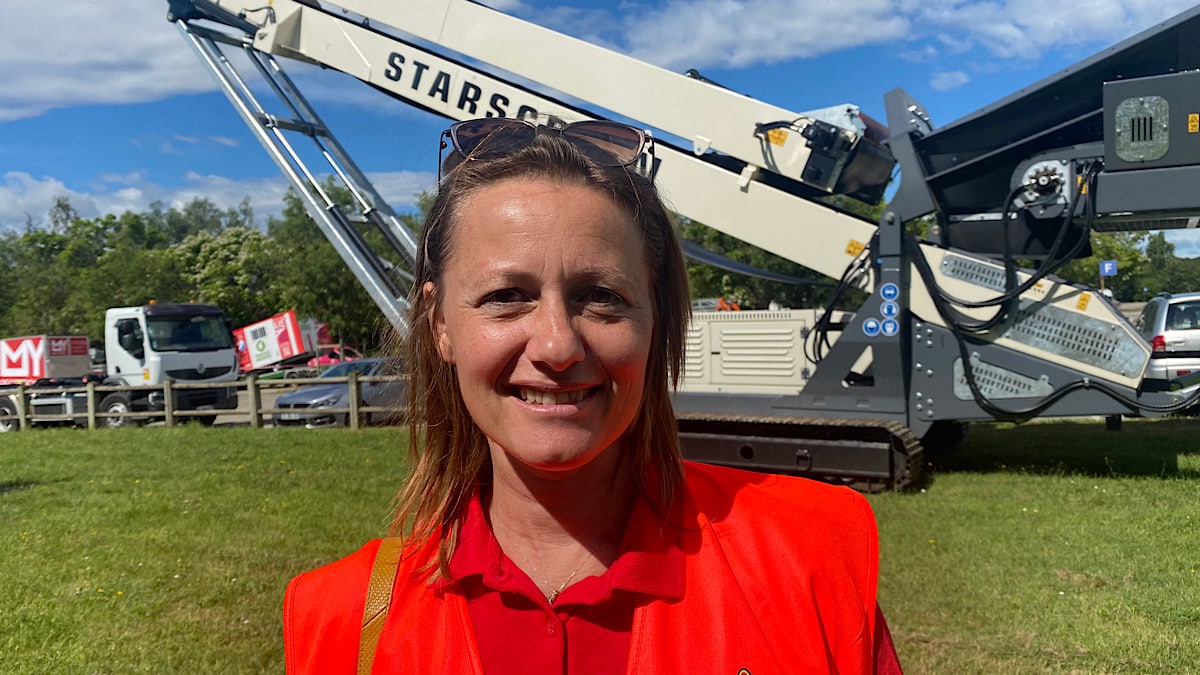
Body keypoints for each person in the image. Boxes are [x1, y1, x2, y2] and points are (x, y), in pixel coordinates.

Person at [283, 115, 904, 674]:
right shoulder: (338, 620)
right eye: (505, 297)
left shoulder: (813, 558)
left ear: (655, 318)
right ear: (441, 324)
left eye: (600, 297)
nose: (557, 345)